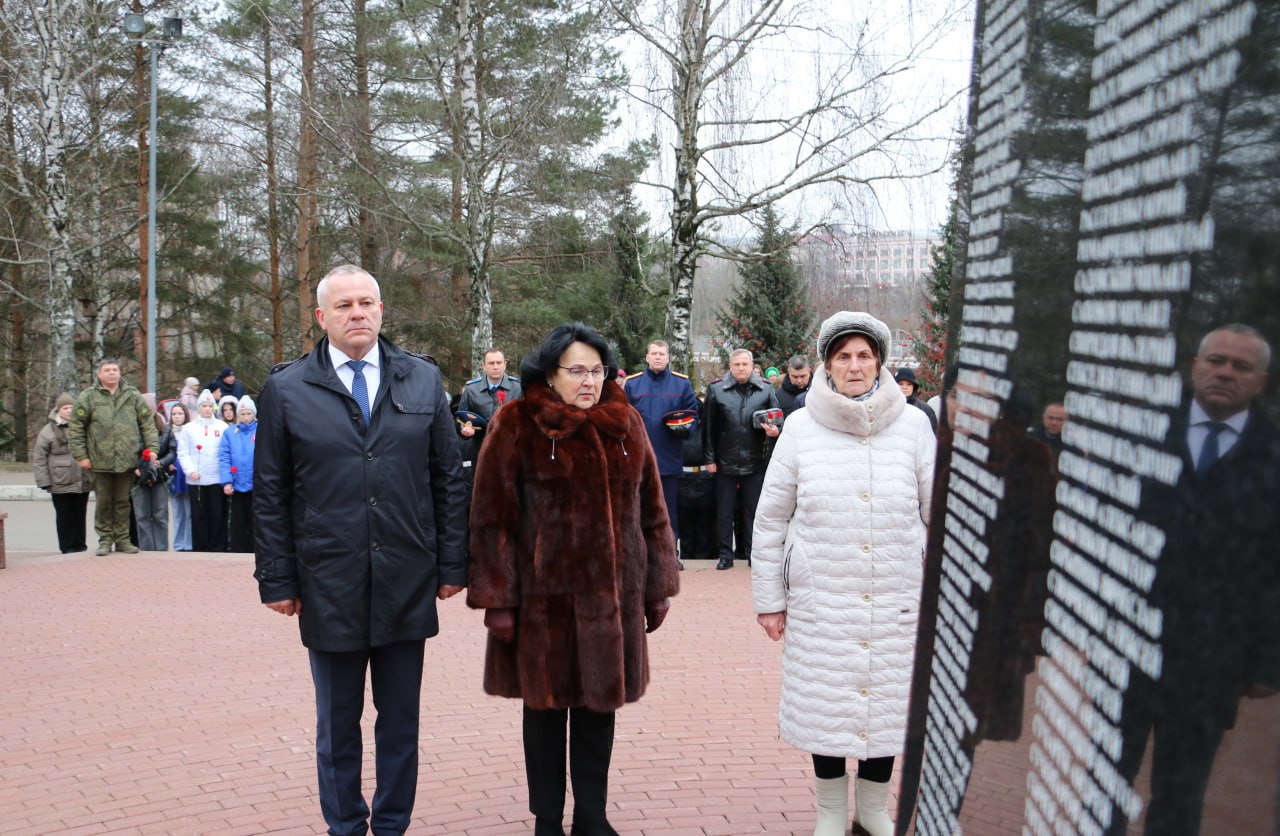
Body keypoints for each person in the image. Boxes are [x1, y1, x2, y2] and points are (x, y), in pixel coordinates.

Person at [254, 264, 467, 836]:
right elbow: (271, 492)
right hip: (329, 582)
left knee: (400, 724)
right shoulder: (287, 388)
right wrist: (278, 579)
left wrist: (452, 564)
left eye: (367, 303)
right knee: (337, 723)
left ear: (381, 311)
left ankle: (393, 824)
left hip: (406, 578)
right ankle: (345, 826)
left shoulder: (422, 380)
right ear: (322, 317)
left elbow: (448, 478)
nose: (358, 313)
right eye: (344, 304)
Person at [468, 322, 681, 836]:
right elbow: (491, 516)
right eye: (576, 370)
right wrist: (498, 597)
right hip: (543, 604)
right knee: (543, 712)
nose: (588, 381)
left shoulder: (625, 424)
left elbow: (653, 512)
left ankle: (592, 814)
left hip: (612, 599)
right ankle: (547, 818)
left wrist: (657, 585)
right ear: (550, 372)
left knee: (598, 710)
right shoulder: (515, 422)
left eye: (597, 370)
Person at [752, 311, 935, 836]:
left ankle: (874, 809)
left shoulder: (915, 426)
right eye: (843, 356)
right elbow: (769, 520)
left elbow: (937, 513)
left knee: (886, 704)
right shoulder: (801, 428)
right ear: (827, 365)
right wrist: (770, 599)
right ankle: (831, 811)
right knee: (826, 702)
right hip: (822, 596)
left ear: (879, 361)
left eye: (864, 356)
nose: (854, 366)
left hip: (898, 594)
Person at [1109, 324, 1279, 835]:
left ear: (1261, 381)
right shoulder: (1145, 433)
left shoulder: (1272, 454)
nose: (1226, 372)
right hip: (1130, 646)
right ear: (1195, 367)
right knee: (1103, 783)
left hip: (1213, 662)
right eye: (1217, 360)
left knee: (1181, 797)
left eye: (1241, 366)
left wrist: (1268, 661)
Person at [69, 358, 159, 556]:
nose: (111, 373)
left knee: (122, 502)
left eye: (115, 370)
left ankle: (123, 539)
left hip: (127, 460)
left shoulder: (132, 395)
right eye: (107, 370)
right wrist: (80, 455)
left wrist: (152, 448)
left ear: (120, 373)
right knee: (103, 502)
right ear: (99, 374)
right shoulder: (89, 396)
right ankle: (105, 540)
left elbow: (147, 423)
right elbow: (76, 426)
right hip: (99, 459)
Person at [702, 349, 781, 569]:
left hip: (755, 460)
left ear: (751, 365)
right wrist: (709, 458)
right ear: (730, 366)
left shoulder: (765, 389)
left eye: (745, 364)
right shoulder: (717, 389)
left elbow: (778, 419)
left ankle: (752, 554)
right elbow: (707, 428)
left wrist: (775, 432)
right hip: (724, 461)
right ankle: (725, 555)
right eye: (736, 364)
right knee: (724, 512)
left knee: (753, 512)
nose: (741, 368)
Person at [626, 339, 700, 565]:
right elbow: (623, 418)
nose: (658, 357)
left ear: (668, 358)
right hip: (640, 459)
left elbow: (693, 415)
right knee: (637, 508)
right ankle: (638, 556)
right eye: (654, 353)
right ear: (646, 357)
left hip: (669, 458)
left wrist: (685, 428)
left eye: (662, 354)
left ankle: (668, 555)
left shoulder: (681, 384)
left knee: (668, 511)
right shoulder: (632, 384)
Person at [32, 392, 93, 553]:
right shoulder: (48, 431)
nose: (69, 411)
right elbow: (39, 457)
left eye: (72, 407)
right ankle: (67, 547)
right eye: (66, 408)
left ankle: (80, 546)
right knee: (65, 517)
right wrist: (43, 481)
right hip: (60, 481)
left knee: (80, 515)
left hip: (82, 480)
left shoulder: (83, 427)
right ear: (58, 410)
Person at [455, 347, 523, 493]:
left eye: (499, 362)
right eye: (491, 363)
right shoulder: (471, 390)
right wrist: (464, 431)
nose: (496, 367)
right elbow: (460, 420)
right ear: (484, 366)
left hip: (512, 453)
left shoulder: (518, 388)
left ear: (505, 364)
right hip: (480, 453)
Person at [178, 389, 229, 552]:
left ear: (214, 408)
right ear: (198, 408)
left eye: (210, 405)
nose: (207, 409)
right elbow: (183, 452)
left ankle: (218, 547)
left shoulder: (222, 427)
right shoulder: (189, 428)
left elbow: (226, 451)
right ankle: (200, 548)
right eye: (204, 405)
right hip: (196, 479)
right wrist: (190, 470)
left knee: (217, 514)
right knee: (199, 516)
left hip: (217, 478)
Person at [131, 394, 171, 551]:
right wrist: (134, 467)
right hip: (138, 478)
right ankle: (147, 549)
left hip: (159, 477)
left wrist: (161, 463)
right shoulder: (132, 428)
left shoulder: (165, 428)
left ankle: (161, 550)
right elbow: (127, 450)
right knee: (142, 516)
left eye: (150, 409)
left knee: (160, 516)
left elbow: (172, 450)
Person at [219, 395, 257, 553]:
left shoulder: (262, 430)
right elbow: (224, 457)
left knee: (256, 521)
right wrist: (227, 481)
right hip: (237, 484)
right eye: (242, 414)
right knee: (238, 522)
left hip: (256, 484)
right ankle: (237, 551)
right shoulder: (229, 433)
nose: (246, 417)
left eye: (249, 413)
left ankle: (256, 550)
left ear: (254, 414)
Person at [166, 403, 193, 551]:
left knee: (189, 512)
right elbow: (163, 452)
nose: (177, 417)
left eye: (180, 413)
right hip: (174, 477)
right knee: (178, 513)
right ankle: (178, 544)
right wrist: (168, 464)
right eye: (174, 414)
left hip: (187, 477)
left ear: (185, 415)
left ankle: (189, 543)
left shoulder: (190, 431)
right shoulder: (167, 432)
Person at [893, 367, 937, 432]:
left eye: (909, 384)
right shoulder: (886, 406)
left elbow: (932, 434)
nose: (905, 387)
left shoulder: (925, 409)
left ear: (914, 387)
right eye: (900, 384)